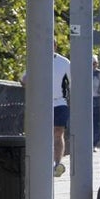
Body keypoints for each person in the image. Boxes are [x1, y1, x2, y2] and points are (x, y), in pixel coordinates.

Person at [21, 43, 72, 177]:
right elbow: (24, 79)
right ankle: (45, 162)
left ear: (55, 46)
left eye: (51, 45)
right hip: (41, 103)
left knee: (58, 132)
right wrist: (26, 80)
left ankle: (57, 163)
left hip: (60, 102)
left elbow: (73, 82)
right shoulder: (35, 60)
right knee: (44, 133)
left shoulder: (64, 62)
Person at [92, 54, 100, 150]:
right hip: (86, 101)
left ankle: (94, 144)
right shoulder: (83, 73)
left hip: (97, 100)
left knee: (96, 124)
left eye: (95, 63)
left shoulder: (99, 74)